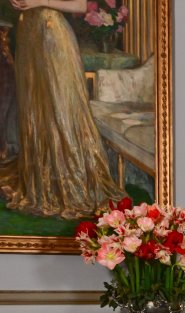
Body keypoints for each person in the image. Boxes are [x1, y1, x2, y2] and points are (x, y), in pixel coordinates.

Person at [0, 0, 123, 218]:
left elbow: (82, 5)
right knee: (35, 111)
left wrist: (36, 2)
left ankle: (67, 183)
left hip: (51, 36)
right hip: (28, 37)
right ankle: (41, 179)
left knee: (58, 106)